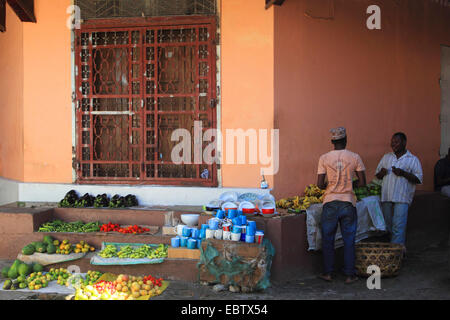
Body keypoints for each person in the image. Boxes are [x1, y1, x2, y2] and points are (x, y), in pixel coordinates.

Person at [317, 127, 367, 284]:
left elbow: (319, 185)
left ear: (332, 141)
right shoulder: (355, 157)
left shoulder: (324, 158)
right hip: (348, 202)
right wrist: (350, 183)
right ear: (346, 140)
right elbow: (363, 183)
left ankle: (328, 273)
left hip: (330, 202)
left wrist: (331, 183)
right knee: (349, 240)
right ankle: (349, 275)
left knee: (328, 239)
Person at [375, 132, 423, 254]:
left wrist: (403, 173)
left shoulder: (412, 159)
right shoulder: (386, 157)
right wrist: (382, 173)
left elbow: (418, 179)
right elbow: (378, 175)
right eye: (392, 142)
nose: (393, 144)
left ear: (404, 143)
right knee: (388, 225)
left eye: (396, 142)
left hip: (402, 198)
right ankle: (397, 248)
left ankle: (395, 255)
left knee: (398, 227)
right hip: (386, 196)